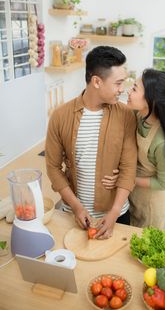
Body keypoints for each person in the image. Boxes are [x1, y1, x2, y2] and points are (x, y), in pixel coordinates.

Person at [45, 46, 137, 239]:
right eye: (118, 83)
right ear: (96, 81)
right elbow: (53, 167)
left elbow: (129, 167)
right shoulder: (60, 116)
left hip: (117, 216)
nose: (122, 90)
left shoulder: (126, 115)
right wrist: (76, 206)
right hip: (72, 215)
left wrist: (113, 213)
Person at [103, 68, 165, 230]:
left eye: (135, 88)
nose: (129, 91)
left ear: (151, 100)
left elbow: (164, 182)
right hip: (133, 194)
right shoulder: (139, 115)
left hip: (151, 203)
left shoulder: (161, 142)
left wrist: (126, 178)